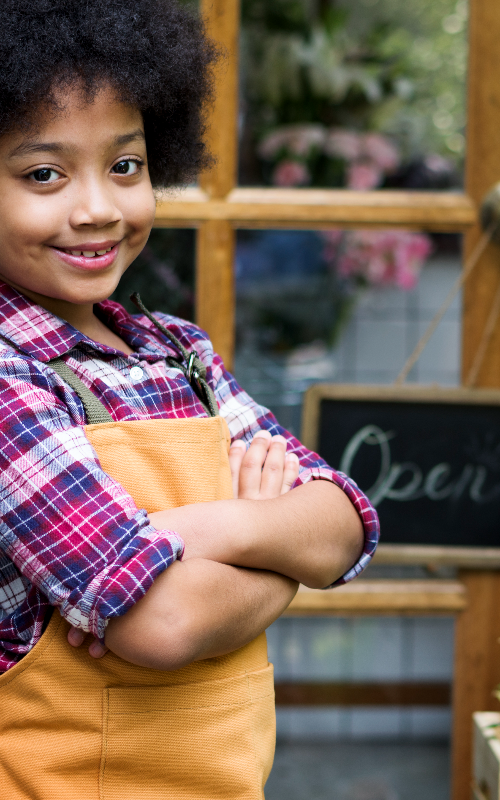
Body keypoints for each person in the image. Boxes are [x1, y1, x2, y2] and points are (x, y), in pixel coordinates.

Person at [0, 1, 379, 797]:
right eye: (43, 174)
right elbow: (165, 624)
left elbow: (344, 525)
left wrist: (210, 532)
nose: (99, 208)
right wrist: (280, 553)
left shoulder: (180, 352)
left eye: (126, 166)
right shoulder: (9, 379)